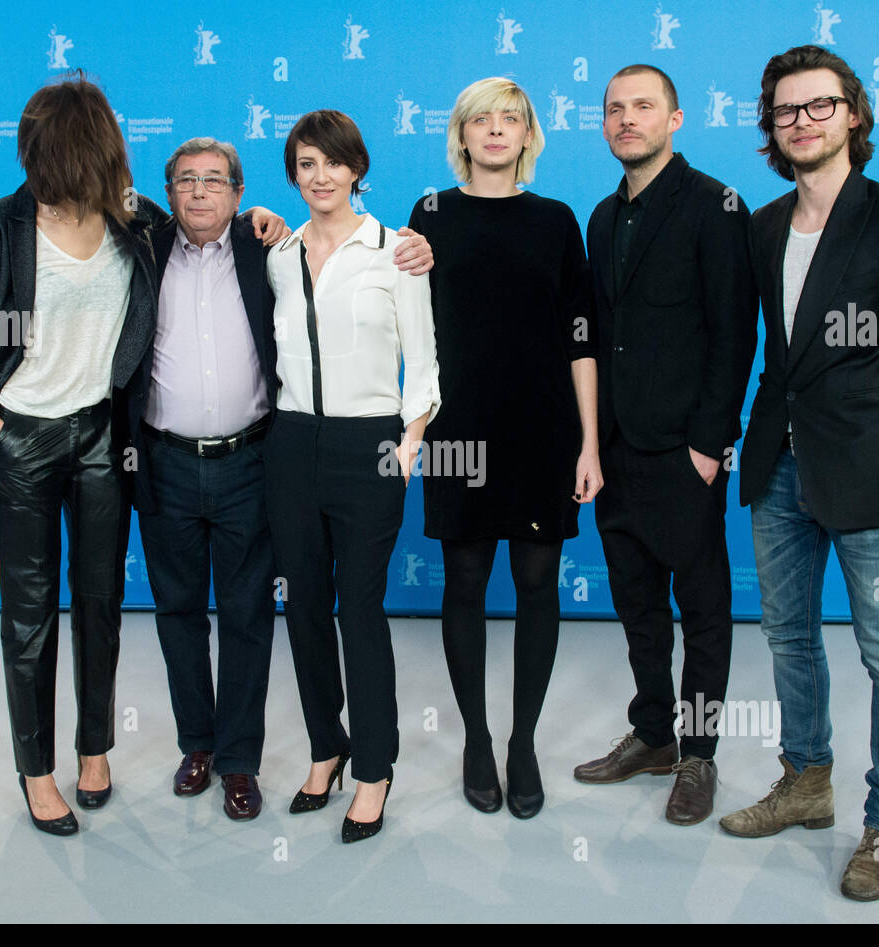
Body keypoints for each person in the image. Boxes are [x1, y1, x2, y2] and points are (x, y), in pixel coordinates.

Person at [720, 45, 879, 901]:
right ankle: (807, 782)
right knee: (788, 639)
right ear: (772, 128)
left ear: (853, 114)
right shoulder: (760, 226)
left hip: (872, 471)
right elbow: (770, 350)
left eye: (819, 107)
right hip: (779, 467)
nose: (802, 123)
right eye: (786, 112)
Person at [124, 138, 432, 822]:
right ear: (168, 192)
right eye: (185, 181)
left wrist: (409, 444)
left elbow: (419, 345)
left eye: (215, 181)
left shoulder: (271, 248)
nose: (199, 192)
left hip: (257, 459)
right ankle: (207, 746)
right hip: (176, 460)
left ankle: (244, 761)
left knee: (254, 615)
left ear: (239, 194)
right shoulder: (152, 248)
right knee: (188, 612)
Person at [0, 73, 164, 835]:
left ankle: (94, 749)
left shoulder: (132, 220)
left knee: (100, 603)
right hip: (24, 438)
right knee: (30, 617)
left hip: (104, 436)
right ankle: (37, 772)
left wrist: (265, 222)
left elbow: (209, 235)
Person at [407, 77, 599, 819]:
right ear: (461, 133)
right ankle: (477, 740)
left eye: (510, 118)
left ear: (528, 134)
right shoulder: (429, 213)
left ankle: (523, 743)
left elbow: (580, 335)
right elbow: (400, 317)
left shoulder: (557, 220)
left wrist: (589, 442)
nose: (495, 130)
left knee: (538, 583)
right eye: (481, 119)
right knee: (463, 581)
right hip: (460, 428)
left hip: (543, 430)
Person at [574, 65, 757, 826]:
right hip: (616, 449)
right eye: (614, 109)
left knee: (703, 610)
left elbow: (734, 331)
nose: (626, 120)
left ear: (675, 118)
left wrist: (709, 446)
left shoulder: (716, 206)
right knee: (638, 605)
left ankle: (699, 754)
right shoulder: (598, 216)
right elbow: (596, 337)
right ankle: (652, 736)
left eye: (642, 107)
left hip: (685, 451)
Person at [264, 110, 440, 843]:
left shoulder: (396, 251)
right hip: (289, 441)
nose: (321, 176)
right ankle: (326, 748)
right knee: (303, 606)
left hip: (370, 446)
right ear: (293, 174)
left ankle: (374, 768)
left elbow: (425, 361)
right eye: (306, 164)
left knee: (357, 611)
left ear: (357, 169)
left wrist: (408, 444)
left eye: (334, 163)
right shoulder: (278, 254)